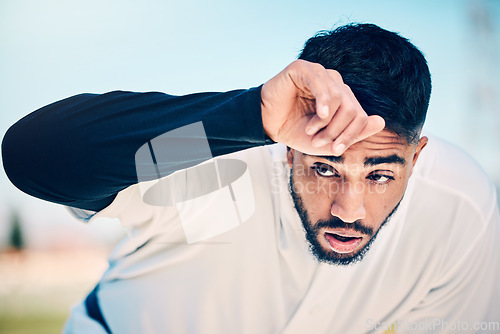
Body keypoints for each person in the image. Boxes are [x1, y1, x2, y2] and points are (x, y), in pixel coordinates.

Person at [2, 23, 499, 334]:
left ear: (418, 155)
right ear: (289, 150)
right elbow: (36, 157)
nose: (349, 209)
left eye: (380, 175)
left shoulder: (461, 207)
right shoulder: (212, 161)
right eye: (324, 168)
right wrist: (247, 117)